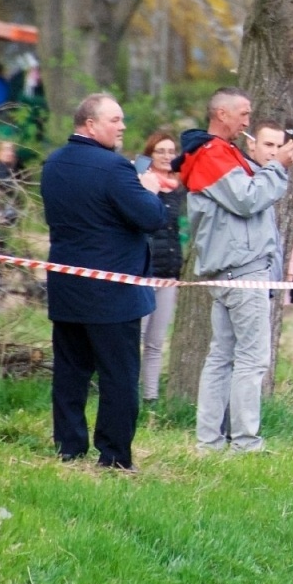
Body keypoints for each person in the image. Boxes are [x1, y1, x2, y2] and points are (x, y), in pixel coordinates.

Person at [40, 95, 167, 469]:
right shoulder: (115, 169)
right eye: (115, 120)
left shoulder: (53, 163)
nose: (122, 126)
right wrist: (149, 190)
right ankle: (113, 456)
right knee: (119, 376)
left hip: (67, 284)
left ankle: (69, 446)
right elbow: (150, 218)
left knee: (70, 372)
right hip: (112, 293)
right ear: (90, 125)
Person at [180, 88, 293, 453]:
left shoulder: (220, 154)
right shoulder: (212, 154)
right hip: (242, 273)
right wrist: (278, 166)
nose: (247, 120)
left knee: (221, 357)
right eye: (243, 113)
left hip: (233, 272)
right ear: (221, 114)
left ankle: (210, 442)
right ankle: (245, 442)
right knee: (250, 359)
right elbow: (248, 200)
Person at [138, 130, 186, 402]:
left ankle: (151, 398)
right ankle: (128, 393)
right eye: (161, 151)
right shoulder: (142, 183)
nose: (167, 156)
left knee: (156, 342)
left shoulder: (178, 188)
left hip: (170, 272)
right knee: (138, 336)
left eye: (171, 151)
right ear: (151, 155)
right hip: (145, 271)